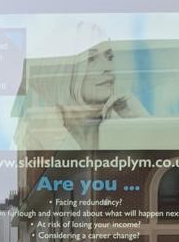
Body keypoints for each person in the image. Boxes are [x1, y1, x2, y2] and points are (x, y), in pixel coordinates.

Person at [21, 22, 147, 150]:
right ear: (64, 69)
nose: (108, 67)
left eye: (109, 57)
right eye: (91, 59)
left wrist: (146, 124)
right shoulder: (36, 136)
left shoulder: (122, 124)